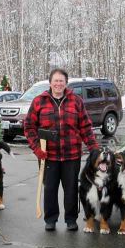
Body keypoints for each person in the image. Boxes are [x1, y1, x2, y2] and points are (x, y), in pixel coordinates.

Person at [24, 68, 99, 231]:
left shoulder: (76, 101)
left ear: (66, 83)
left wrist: (94, 148)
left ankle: (71, 219)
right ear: (50, 82)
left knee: (71, 189)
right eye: (55, 80)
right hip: (48, 156)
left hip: (71, 155)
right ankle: (50, 219)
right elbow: (29, 126)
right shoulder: (39, 101)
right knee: (50, 189)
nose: (58, 84)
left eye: (61, 81)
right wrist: (36, 148)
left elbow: (85, 127)